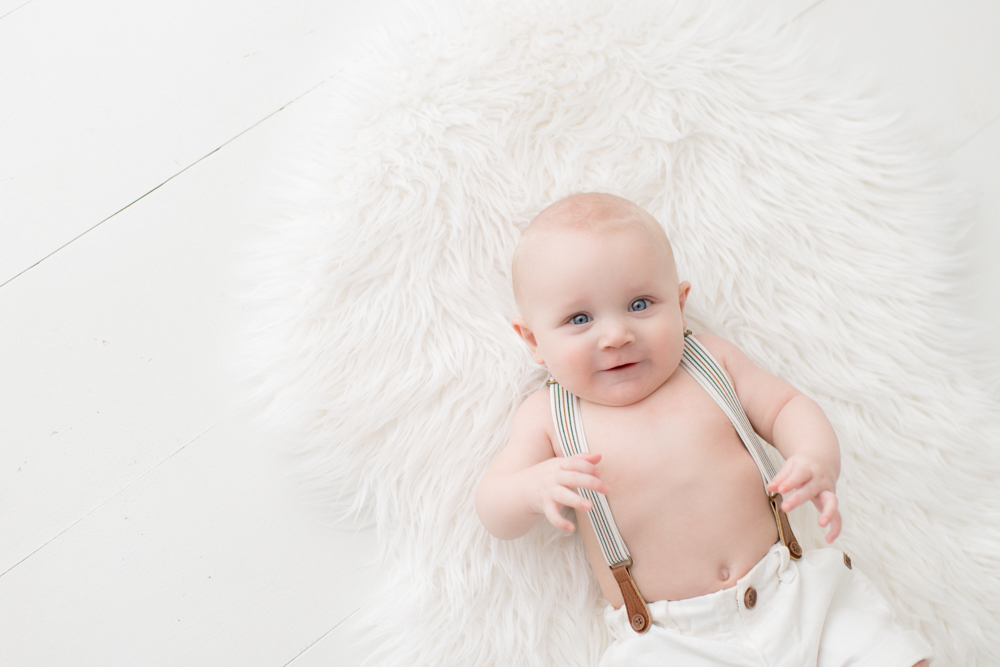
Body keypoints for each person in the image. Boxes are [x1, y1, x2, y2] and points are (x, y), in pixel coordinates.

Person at [475, 193, 932, 666]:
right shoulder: (548, 414)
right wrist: (532, 488)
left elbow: (786, 406)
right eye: (580, 319)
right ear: (533, 341)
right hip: (669, 640)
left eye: (639, 304)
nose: (615, 335)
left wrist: (814, 458)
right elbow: (492, 506)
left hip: (792, 594)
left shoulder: (710, 361)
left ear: (679, 303)